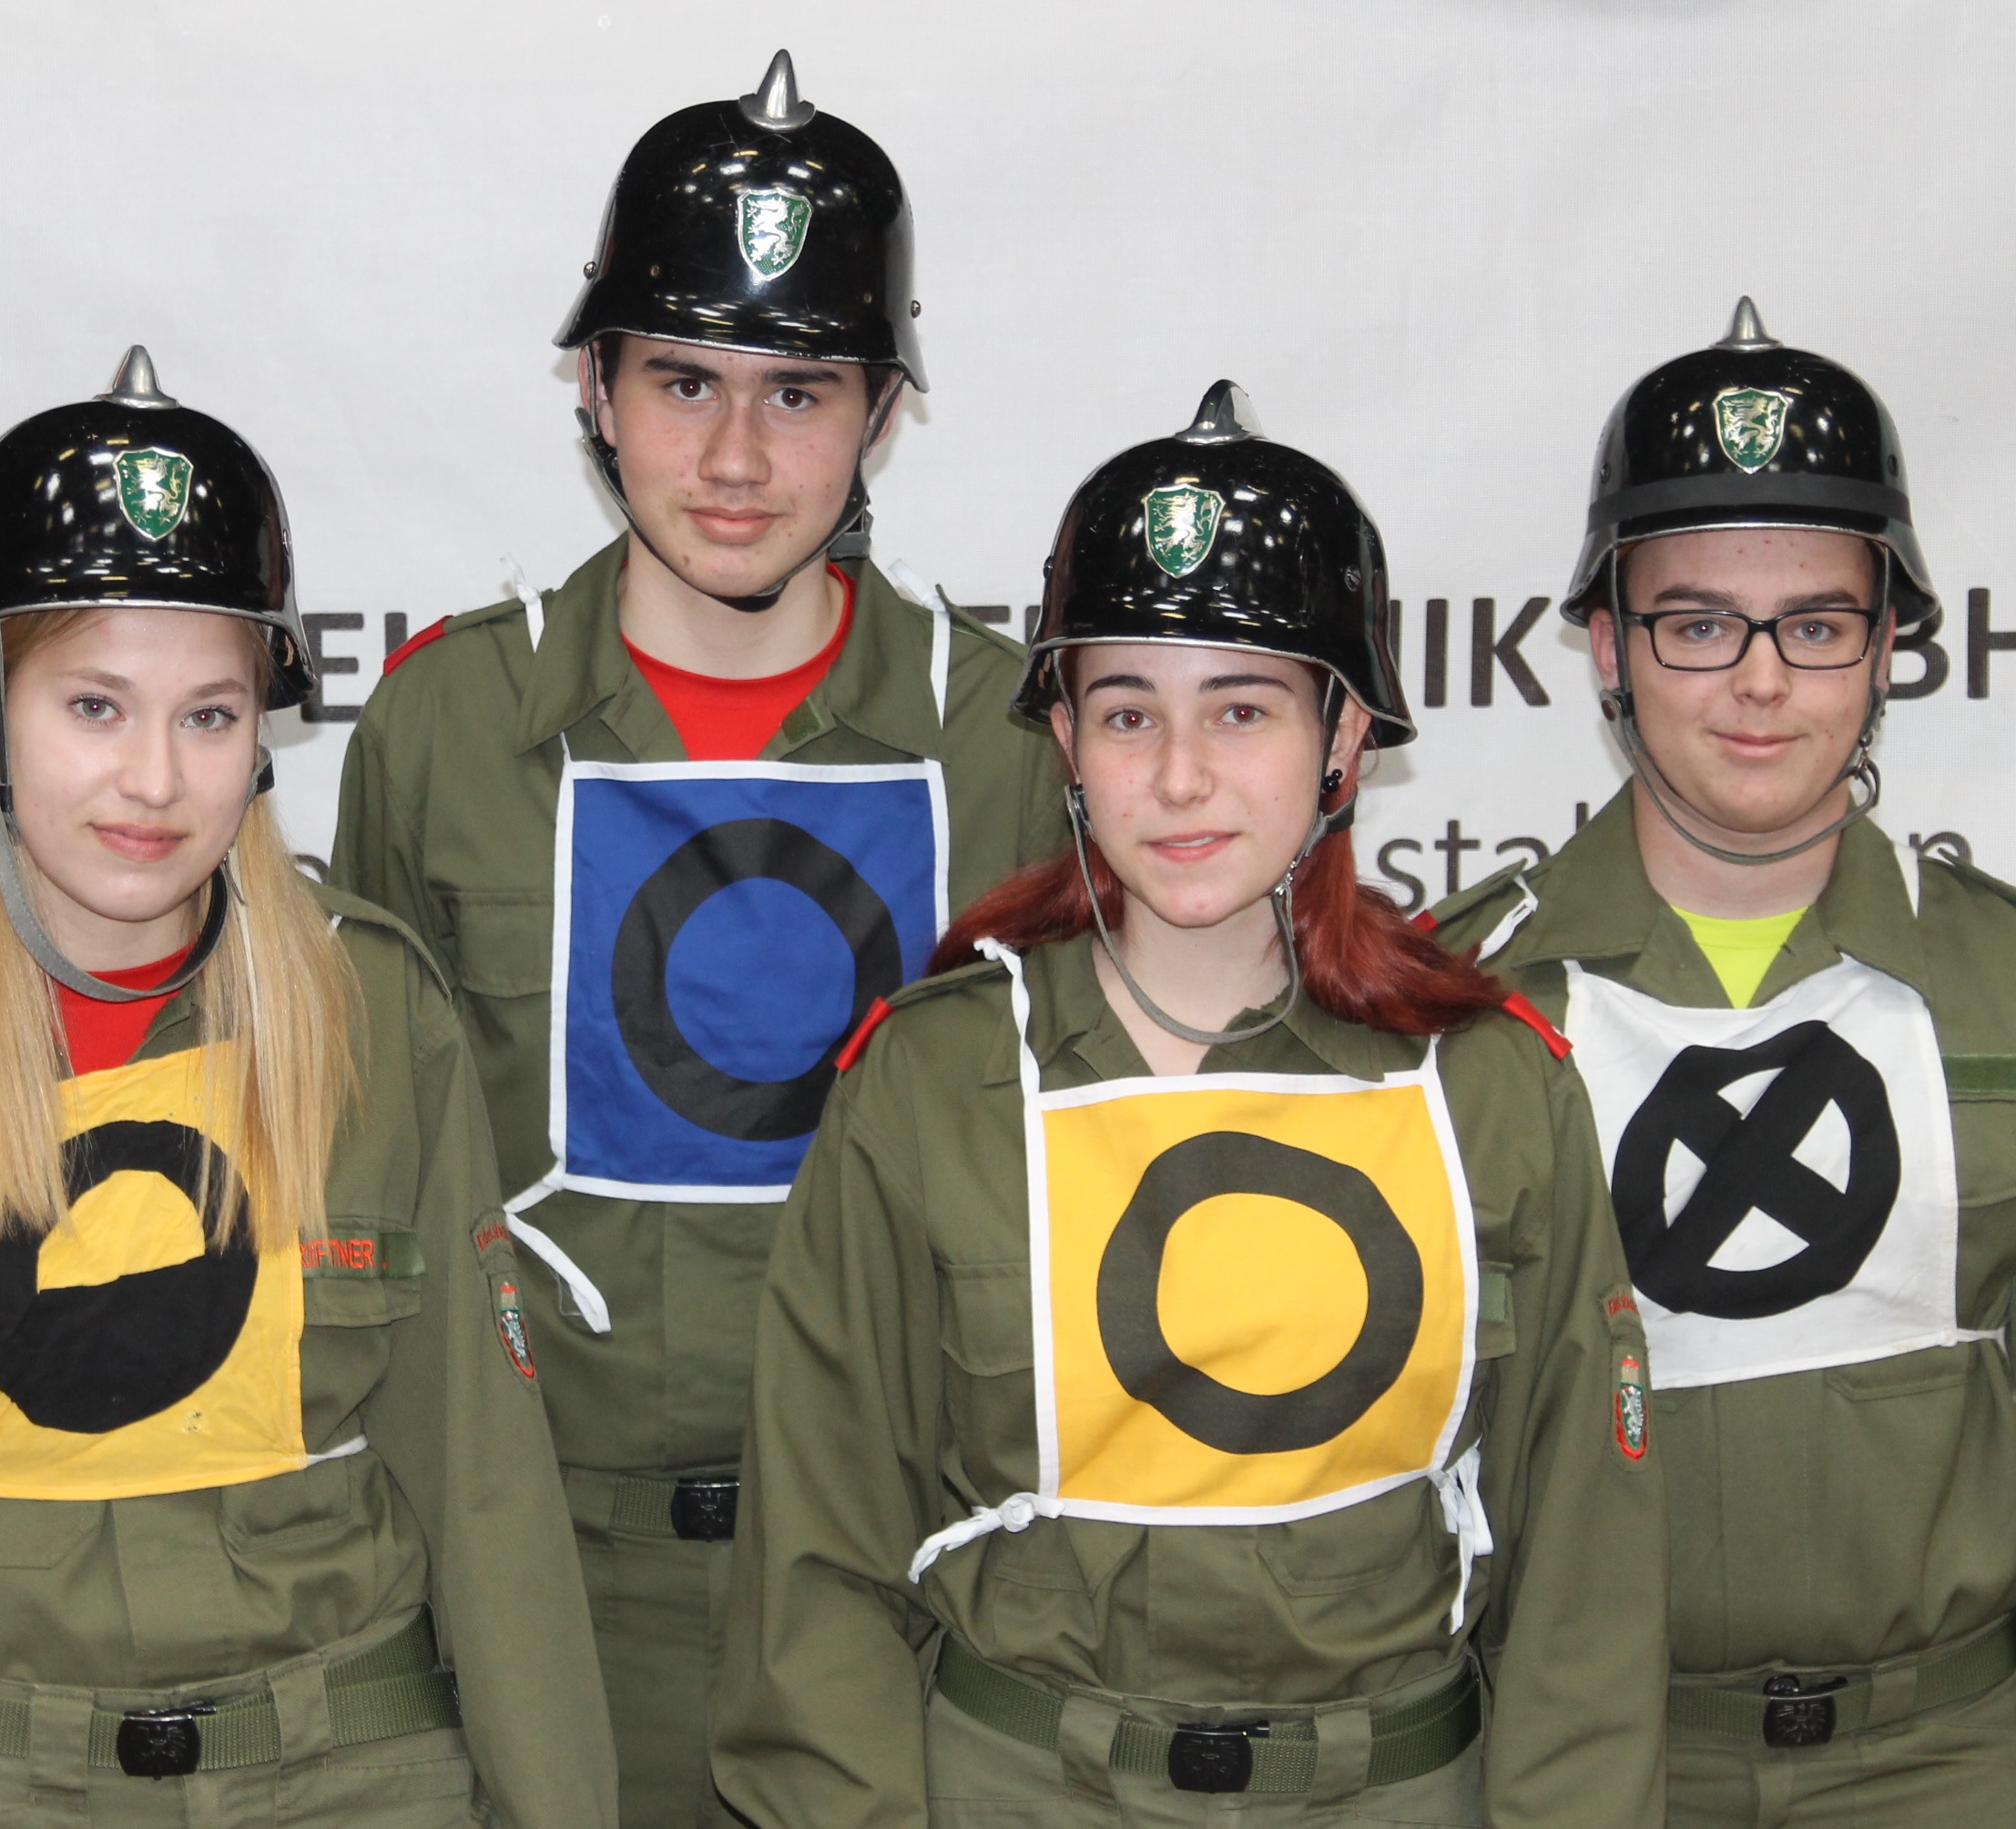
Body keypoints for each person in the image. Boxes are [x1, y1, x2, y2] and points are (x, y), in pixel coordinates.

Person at [712, 384, 1670, 1826]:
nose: (1177, 775)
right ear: (1064, 742)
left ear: (1343, 736)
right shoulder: (927, 1084)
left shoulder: (1488, 1083)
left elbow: (1584, 1580)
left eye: (1241, 708)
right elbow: (816, 1560)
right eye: (1125, 713)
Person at [0, 349, 616, 1826]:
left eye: (207, 714)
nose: (154, 781)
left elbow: (484, 1481)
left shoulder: (371, 1013)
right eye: (95, 706)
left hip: (349, 1778)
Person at [331, 50, 1066, 1822]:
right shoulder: (445, 726)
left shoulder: (1010, 745)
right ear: (593, 386)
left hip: (914, 1585)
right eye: (682, 381)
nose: (736, 458)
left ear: (880, 409)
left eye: (797, 390)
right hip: (541, 1581)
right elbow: (372, 1194)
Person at [1425, 300, 2016, 1823]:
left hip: (1960, 1756)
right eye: (1697, 625)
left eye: (1813, 626)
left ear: (1885, 646)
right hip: (1585, 1757)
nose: (1759, 683)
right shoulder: (1448, 1001)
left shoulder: (2003, 977)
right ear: (1606, 645)